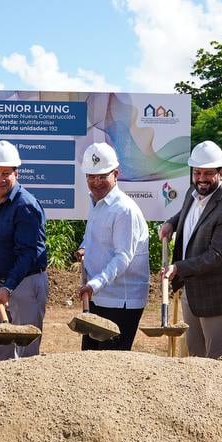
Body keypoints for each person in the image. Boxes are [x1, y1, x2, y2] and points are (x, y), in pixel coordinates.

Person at [159, 140, 222, 358]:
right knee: (195, 358)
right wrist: (171, 223)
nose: (201, 179)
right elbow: (187, 215)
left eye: (208, 173)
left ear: (221, 172)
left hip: (217, 296)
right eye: (197, 173)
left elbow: (216, 256)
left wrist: (178, 268)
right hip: (193, 289)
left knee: (214, 360)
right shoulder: (192, 192)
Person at [72, 142, 150, 350]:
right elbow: (97, 238)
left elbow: (123, 256)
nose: (96, 182)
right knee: (91, 360)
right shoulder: (97, 202)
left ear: (115, 174)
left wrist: (94, 284)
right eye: (91, 176)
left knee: (112, 366)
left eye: (102, 176)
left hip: (120, 302)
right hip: (100, 297)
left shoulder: (124, 210)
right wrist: (84, 248)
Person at [0, 139, 48, 360]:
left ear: (16, 174)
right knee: (1, 345)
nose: (0, 179)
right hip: (3, 284)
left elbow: (28, 254)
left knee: (26, 350)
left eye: (6, 173)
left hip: (25, 284)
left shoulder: (25, 206)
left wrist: (8, 288)